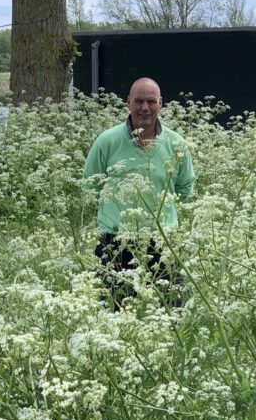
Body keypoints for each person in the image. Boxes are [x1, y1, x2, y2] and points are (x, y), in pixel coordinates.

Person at [82, 77, 195, 307]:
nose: (145, 108)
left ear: (160, 104)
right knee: (113, 312)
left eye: (151, 102)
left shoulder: (176, 144)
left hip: (163, 241)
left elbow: (185, 188)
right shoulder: (107, 141)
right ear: (128, 103)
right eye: (139, 101)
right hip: (115, 242)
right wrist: (115, 214)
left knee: (171, 312)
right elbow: (91, 185)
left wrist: (160, 214)